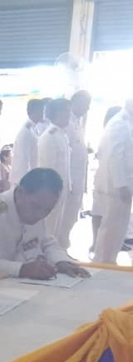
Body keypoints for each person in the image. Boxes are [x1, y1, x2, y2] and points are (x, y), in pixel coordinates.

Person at [0, 168, 89, 281]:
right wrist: (21, 269)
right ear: (20, 192)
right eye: (36, 207)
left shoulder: (37, 207)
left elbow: (46, 242)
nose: (40, 215)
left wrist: (60, 261)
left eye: (47, 210)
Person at [93, 98, 133, 265]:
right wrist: (121, 185)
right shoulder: (119, 125)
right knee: (112, 227)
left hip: (121, 185)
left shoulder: (126, 123)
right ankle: (103, 262)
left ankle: (108, 260)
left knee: (118, 228)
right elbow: (114, 156)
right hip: (116, 188)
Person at [55, 90, 92, 250]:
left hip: (76, 181)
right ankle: (59, 250)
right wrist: (67, 184)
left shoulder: (76, 122)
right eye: (85, 104)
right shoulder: (67, 124)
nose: (87, 108)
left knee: (70, 218)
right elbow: (64, 157)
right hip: (69, 183)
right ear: (75, 103)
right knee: (63, 219)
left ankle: (63, 248)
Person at [37, 98, 72, 238]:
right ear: (58, 113)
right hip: (52, 191)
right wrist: (50, 192)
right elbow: (47, 169)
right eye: (67, 111)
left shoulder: (61, 134)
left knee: (57, 226)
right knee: (49, 227)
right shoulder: (49, 137)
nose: (69, 115)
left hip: (60, 190)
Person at [91, 106, 123, 254]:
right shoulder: (113, 134)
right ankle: (99, 245)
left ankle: (98, 244)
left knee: (100, 213)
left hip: (103, 179)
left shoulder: (108, 134)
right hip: (108, 181)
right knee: (104, 215)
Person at [10, 99, 45, 186]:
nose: (43, 114)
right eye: (41, 111)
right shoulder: (26, 131)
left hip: (30, 174)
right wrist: (28, 179)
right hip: (23, 177)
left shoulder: (33, 128)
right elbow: (23, 158)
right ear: (35, 111)